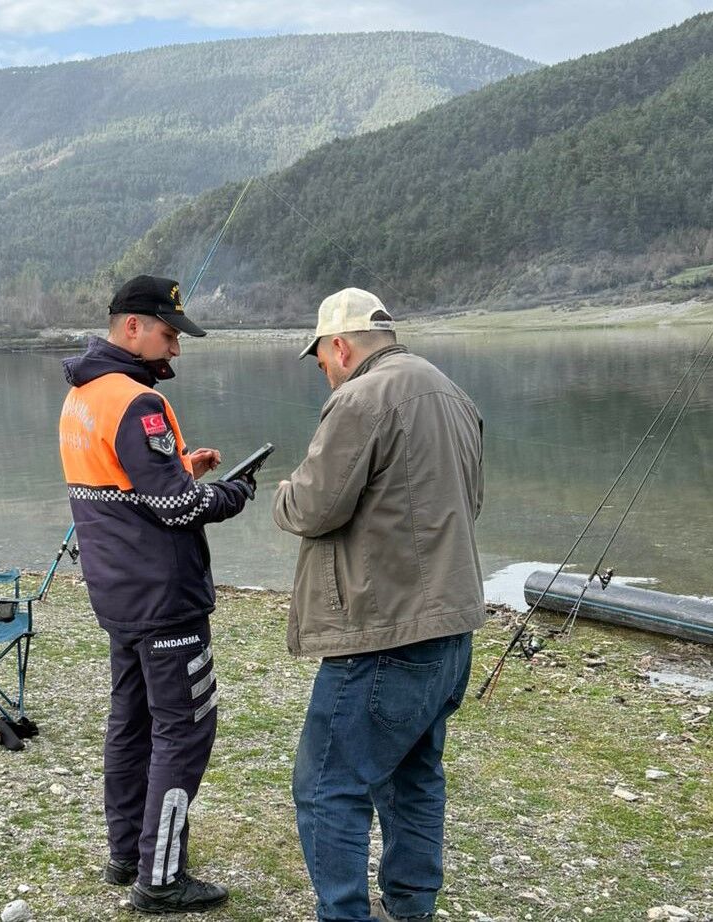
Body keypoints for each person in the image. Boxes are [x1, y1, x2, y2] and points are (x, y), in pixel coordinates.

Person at [272, 288, 485, 922]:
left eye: (320, 362)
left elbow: (313, 506)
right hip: (451, 625)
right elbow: (467, 504)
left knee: (326, 786)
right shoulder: (453, 394)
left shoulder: (361, 398)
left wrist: (282, 492)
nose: (324, 374)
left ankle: (344, 914)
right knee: (414, 777)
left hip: (382, 631)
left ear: (338, 346)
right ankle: (412, 908)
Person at [58, 275, 256, 914]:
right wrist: (230, 493)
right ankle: (161, 878)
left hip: (118, 595)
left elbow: (130, 489)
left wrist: (181, 470)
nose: (176, 350)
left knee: (132, 723)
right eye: (170, 335)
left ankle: (126, 855)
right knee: (185, 731)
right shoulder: (137, 404)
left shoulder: (82, 396)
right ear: (133, 327)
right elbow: (173, 509)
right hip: (165, 599)